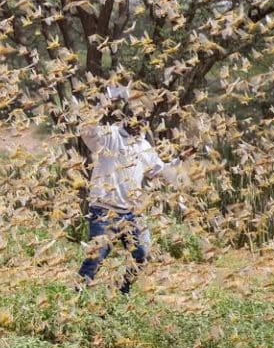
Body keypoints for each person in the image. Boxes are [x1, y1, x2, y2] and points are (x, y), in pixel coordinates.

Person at [74, 85, 195, 294]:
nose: (138, 124)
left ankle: (122, 292)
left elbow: (159, 170)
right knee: (97, 256)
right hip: (104, 210)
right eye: (135, 118)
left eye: (143, 120)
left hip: (130, 213)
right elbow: (87, 128)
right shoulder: (110, 136)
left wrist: (180, 159)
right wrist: (107, 98)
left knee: (141, 254)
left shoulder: (143, 146)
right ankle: (76, 298)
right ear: (124, 117)